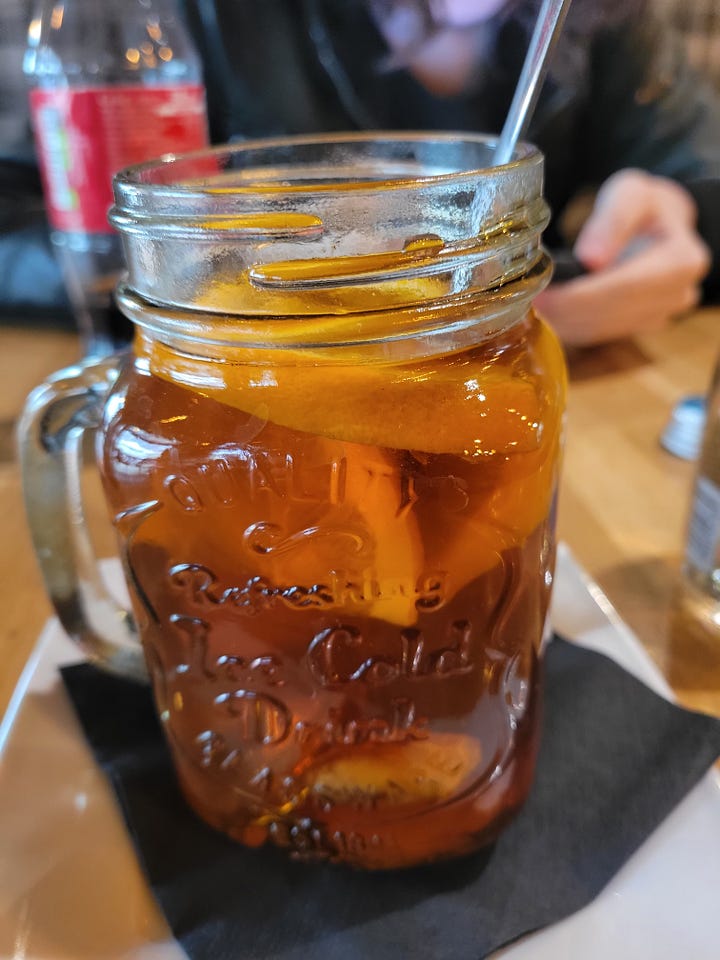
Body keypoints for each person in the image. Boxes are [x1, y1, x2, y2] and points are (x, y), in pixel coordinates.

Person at [3, 0, 720, 346]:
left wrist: (686, 218)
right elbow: (20, 212)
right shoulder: (189, 14)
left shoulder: (613, 20)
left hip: (509, 359)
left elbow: (700, 173)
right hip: (245, 376)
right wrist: (195, 268)